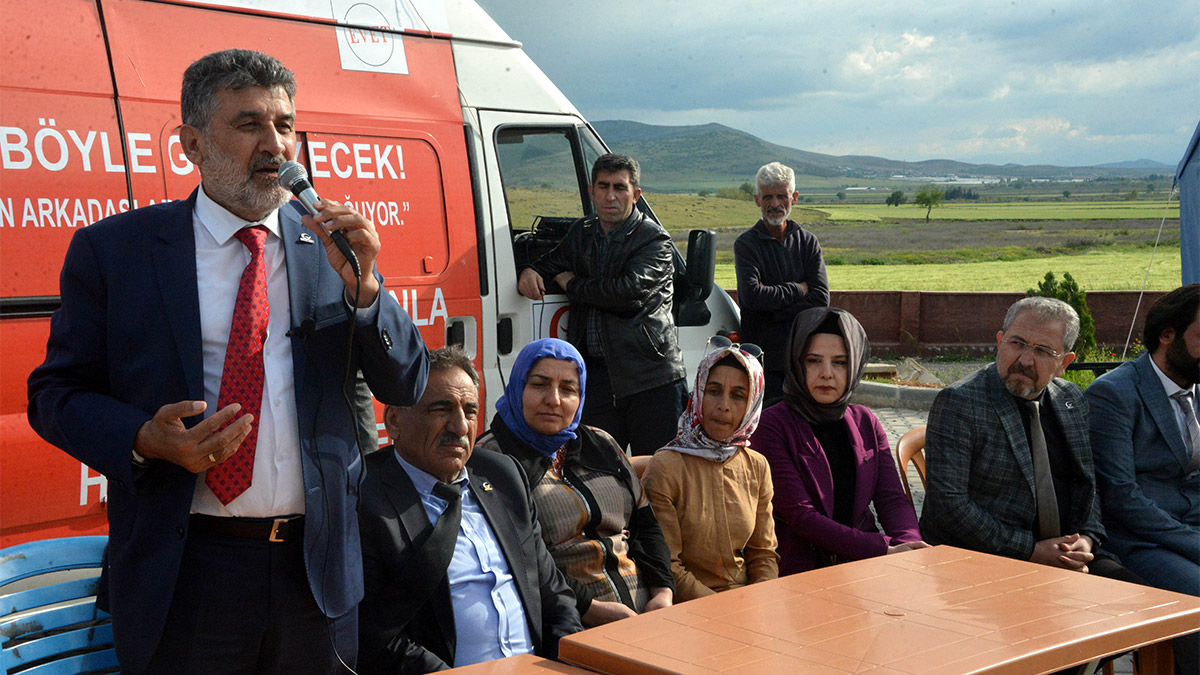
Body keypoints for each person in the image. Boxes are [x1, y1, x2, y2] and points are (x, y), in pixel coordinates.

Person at [25, 49, 429, 673]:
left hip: (313, 577)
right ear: (191, 143)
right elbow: (55, 395)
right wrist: (143, 439)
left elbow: (405, 380)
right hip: (186, 575)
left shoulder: (330, 249)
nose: (276, 145)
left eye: (286, 126)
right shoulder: (117, 252)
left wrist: (368, 291)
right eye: (249, 125)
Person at [358, 348, 582, 673]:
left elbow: (552, 593)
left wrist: (567, 664)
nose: (461, 426)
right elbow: (374, 636)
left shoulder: (502, 475)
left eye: (471, 410)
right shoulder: (363, 498)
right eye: (442, 409)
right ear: (394, 420)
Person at [920, 297, 1138, 583]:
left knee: (1156, 610)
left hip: (1067, 554)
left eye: (1043, 351)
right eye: (1017, 343)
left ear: (1064, 363)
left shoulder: (1071, 399)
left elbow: (1087, 483)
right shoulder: (961, 402)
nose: (1024, 360)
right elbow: (949, 506)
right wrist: (1032, 551)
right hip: (988, 561)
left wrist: (1087, 538)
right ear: (999, 341)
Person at [475, 338, 675, 626]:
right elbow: (521, 558)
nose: (553, 400)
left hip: (646, 613)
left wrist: (663, 593)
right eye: (539, 385)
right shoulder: (493, 458)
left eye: (568, 389)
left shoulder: (600, 443)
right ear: (518, 386)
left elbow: (646, 526)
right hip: (564, 618)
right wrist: (590, 608)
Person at [518, 153, 687, 455]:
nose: (611, 196)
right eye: (603, 186)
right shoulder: (582, 234)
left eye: (620, 188)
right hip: (595, 379)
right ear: (591, 191)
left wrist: (572, 284)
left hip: (649, 378)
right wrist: (531, 270)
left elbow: (626, 293)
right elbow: (552, 262)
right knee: (598, 474)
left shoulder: (653, 240)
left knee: (659, 474)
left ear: (636, 194)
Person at [751, 307, 926, 575]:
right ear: (797, 362)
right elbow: (802, 517)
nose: (827, 373)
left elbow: (891, 498)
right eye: (814, 360)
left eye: (840, 362)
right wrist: (882, 549)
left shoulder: (865, 421)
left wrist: (909, 543)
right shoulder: (771, 426)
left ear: (854, 365)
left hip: (865, 568)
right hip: (802, 572)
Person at [1086, 284, 1199, 673]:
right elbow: (1120, 498)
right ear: (1167, 334)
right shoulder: (1114, 394)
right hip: (1136, 539)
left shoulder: (1196, 388)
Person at [641, 343, 779, 601]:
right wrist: (724, 611)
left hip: (750, 602)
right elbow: (668, 566)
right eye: (714, 391)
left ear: (752, 404)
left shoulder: (757, 466)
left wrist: (760, 600)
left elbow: (764, 554)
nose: (723, 405)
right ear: (699, 395)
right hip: (689, 607)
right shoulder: (667, 466)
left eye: (738, 396)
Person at [734, 162, 830, 401]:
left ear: (794, 198)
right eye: (768, 197)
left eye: (781, 196)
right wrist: (797, 289)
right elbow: (752, 297)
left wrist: (772, 310)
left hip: (803, 359)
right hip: (762, 363)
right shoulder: (746, 245)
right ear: (757, 199)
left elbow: (820, 298)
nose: (774, 204)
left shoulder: (808, 242)